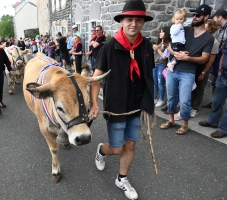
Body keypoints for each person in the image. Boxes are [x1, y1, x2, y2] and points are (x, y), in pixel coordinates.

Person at [89, 0, 155, 199]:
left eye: (138, 20)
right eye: (129, 19)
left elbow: (148, 77)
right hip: (116, 107)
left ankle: (121, 178)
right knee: (116, 148)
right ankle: (102, 150)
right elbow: (96, 78)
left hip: (137, 105)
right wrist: (94, 103)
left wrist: (148, 101)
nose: (133, 23)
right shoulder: (109, 47)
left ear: (143, 22)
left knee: (131, 145)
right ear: (122, 21)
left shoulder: (146, 46)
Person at [159, 5, 214, 135]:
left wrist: (187, 58)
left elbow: (204, 58)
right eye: (194, 14)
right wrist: (174, 53)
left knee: (185, 100)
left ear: (206, 17)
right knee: (171, 97)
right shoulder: (185, 29)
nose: (194, 17)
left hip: (188, 72)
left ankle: (185, 124)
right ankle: (171, 120)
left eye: (198, 15)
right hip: (173, 69)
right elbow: (170, 44)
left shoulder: (209, 38)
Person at [198, 34, 227, 138]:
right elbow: (223, 55)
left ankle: (225, 129)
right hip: (223, 76)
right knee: (217, 101)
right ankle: (212, 121)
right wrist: (219, 71)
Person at [201, 9, 227, 108]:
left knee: (221, 81)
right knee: (216, 80)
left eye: (214, 17)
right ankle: (215, 102)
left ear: (220, 17)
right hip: (220, 56)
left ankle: (218, 103)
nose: (213, 20)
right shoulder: (221, 29)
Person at [190, 20, 219, 117]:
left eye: (205, 27)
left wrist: (203, 72)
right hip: (195, 66)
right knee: (192, 87)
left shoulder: (215, 42)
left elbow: (211, 60)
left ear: (210, 29)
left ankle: (195, 108)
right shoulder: (200, 38)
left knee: (199, 89)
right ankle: (190, 105)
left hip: (204, 68)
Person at [153, 27, 171, 107]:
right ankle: (154, 98)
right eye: (160, 32)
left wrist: (157, 49)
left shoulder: (168, 44)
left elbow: (165, 57)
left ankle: (161, 99)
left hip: (162, 64)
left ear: (166, 33)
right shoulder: (159, 42)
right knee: (155, 83)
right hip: (155, 64)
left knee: (160, 83)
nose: (160, 33)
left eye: (162, 32)